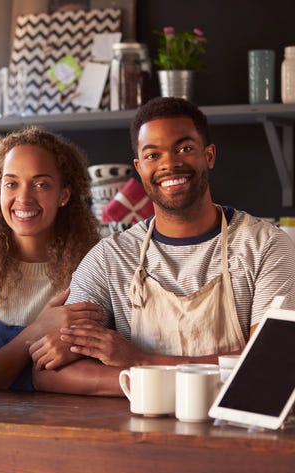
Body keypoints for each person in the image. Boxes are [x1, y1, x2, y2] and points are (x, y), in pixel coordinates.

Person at [29, 96, 295, 396]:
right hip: (136, 436)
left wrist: (141, 363)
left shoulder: (266, 247)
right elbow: (48, 373)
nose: (169, 163)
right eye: (153, 155)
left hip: (238, 434)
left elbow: (273, 365)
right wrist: (147, 380)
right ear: (139, 167)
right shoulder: (109, 259)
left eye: (184, 148)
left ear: (209, 155)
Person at [0, 125, 102, 391]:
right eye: (11, 183)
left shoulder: (93, 263)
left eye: (41, 184)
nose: (23, 198)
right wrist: (38, 330)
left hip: (66, 425)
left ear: (64, 195)